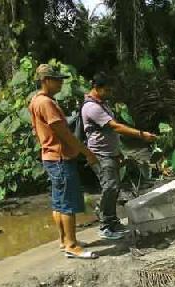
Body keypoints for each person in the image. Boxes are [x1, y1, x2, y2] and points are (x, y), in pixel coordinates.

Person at [29, 64, 100, 260]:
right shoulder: (46, 103)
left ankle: (64, 240)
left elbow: (37, 131)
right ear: (45, 81)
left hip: (50, 156)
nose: (60, 83)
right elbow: (65, 134)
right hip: (59, 158)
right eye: (56, 79)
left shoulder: (36, 101)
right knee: (68, 203)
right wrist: (87, 153)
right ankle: (72, 245)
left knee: (59, 202)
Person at [81, 73, 157, 240]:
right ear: (97, 88)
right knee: (110, 187)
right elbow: (115, 127)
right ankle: (105, 226)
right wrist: (141, 135)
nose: (109, 93)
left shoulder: (102, 104)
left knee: (114, 188)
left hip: (111, 153)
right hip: (100, 154)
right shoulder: (91, 107)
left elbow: (109, 133)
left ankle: (112, 221)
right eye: (106, 90)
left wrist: (119, 152)